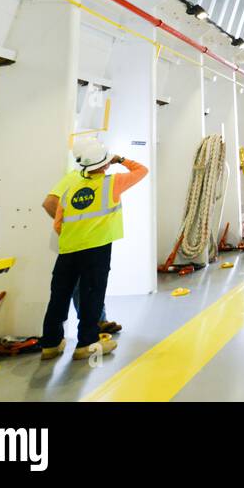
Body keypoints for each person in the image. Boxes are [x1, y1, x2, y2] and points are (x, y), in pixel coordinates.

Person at [39, 140, 148, 361]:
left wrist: (74, 236)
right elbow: (142, 170)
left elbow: (58, 222)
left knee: (59, 295)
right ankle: (86, 344)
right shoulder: (113, 183)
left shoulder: (70, 187)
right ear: (106, 162)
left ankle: (50, 344)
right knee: (92, 295)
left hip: (68, 249)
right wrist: (121, 159)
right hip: (96, 249)